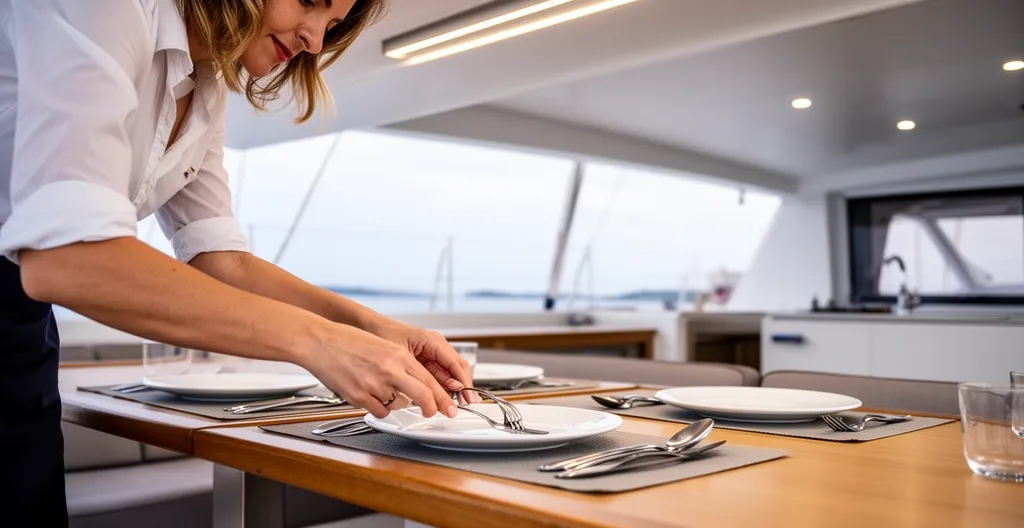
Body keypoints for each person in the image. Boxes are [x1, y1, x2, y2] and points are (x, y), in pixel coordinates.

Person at [0, 0, 477, 524]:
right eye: (311, 3)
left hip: (19, 329)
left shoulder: (203, 84)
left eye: (333, 25)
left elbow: (220, 258)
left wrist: (374, 327)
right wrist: (318, 342)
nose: (315, 41)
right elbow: (68, 259)